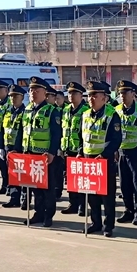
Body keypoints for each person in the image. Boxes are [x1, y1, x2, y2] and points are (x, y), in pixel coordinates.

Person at [14, 76, 62, 227]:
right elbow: (21, 132)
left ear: (44, 93)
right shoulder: (27, 110)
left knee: (47, 188)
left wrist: (51, 152)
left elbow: (56, 134)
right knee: (35, 188)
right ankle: (38, 213)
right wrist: (17, 150)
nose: (33, 92)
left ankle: (48, 215)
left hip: (44, 156)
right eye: (31, 90)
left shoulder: (51, 111)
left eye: (36, 90)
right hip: (30, 155)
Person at [78, 81, 122, 237]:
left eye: (94, 95)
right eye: (89, 95)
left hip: (104, 161)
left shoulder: (111, 115)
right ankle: (95, 222)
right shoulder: (84, 114)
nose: (91, 99)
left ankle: (108, 225)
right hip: (88, 160)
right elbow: (80, 136)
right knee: (92, 195)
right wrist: (79, 152)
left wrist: (103, 155)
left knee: (107, 196)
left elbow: (117, 140)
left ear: (104, 98)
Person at [115, 80, 137, 225]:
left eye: (125, 92)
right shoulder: (116, 110)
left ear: (133, 94)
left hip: (136, 152)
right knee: (124, 184)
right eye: (120, 92)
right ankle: (128, 210)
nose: (122, 95)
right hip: (122, 152)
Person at [60, 82, 89, 216]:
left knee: (82, 180)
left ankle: (83, 206)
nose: (71, 96)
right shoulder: (65, 110)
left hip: (81, 151)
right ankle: (73, 203)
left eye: (74, 93)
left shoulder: (86, 111)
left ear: (81, 95)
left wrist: (81, 150)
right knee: (70, 179)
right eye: (69, 93)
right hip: (68, 150)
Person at [0, 84, 27, 208]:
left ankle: (25, 198)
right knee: (12, 174)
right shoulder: (7, 111)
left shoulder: (25, 112)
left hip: (20, 148)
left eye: (16, 96)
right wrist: (1, 146)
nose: (13, 98)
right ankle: (13, 197)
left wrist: (17, 148)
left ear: (22, 97)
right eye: (11, 96)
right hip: (8, 147)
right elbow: (2, 129)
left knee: (23, 174)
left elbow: (23, 132)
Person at [46, 85, 65, 202]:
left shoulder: (57, 111)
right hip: (44, 149)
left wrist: (58, 147)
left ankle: (57, 191)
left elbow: (59, 131)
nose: (48, 98)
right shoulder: (43, 111)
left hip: (56, 148)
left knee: (57, 172)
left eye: (51, 96)